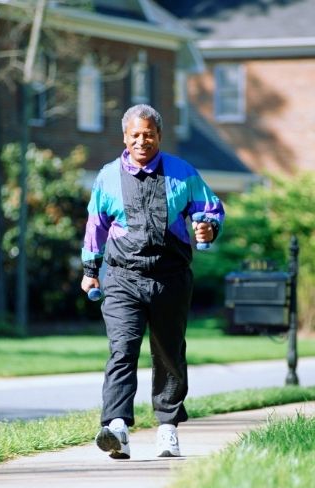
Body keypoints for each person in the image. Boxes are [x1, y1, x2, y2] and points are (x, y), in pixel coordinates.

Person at [81, 104, 225, 460]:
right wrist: (89, 270)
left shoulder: (182, 172)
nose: (142, 141)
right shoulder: (108, 176)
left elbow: (208, 208)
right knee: (122, 350)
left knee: (168, 353)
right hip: (121, 277)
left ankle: (167, 429)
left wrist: (208, 225)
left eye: (149, 134)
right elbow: (95, 226)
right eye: (135, 135)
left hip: (171, 278)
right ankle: (116, 427)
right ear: (125, 138)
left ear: (159, 135)